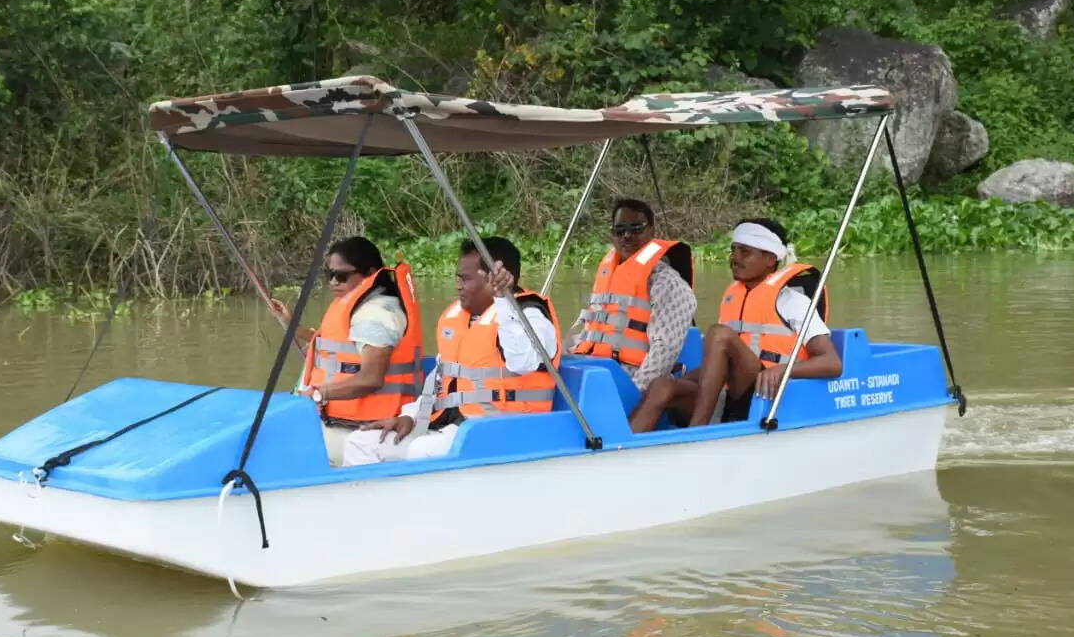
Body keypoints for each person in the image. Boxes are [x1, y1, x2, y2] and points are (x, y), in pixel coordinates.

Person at [343, 236, 560, 465]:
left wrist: (503, 301)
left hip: (503, 431)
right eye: (458, 278)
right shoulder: (461, 317)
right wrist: (410, 415)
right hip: (453, 427)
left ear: (494, 279)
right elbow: (441, 379)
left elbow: (522, 363)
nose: (458, 285)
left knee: (422, 450)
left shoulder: (532, 316)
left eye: (465, 279)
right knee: (361, 442)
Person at [628, 219, 842, 432]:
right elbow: (721, 363)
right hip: (729, 392)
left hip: (764, 392)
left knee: (718, 334)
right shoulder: (732, 296)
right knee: (662, 386)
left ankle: (697, 432)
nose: (734, 258)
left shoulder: (793, 301)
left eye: (744, 252)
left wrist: (783, 370)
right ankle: (624, 445)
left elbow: (832, 362)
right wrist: (684, 380)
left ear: (770, 259)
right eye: (733, 250)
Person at [268, 236, 423, 465]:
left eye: (341, 276)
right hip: (342, 421)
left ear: (370, 273)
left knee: (271, 440)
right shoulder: (362, 305)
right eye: (329, 275)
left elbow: (370, 378)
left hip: (366, 428)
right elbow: (341, 348)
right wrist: (291, 324)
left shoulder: (376, 315)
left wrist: (317, 394)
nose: (333, 282)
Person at [567, 198, 696, 393]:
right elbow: (591, 331)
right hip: (591, 369)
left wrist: (634, 393)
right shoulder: (608, 274)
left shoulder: (667, 282)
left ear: (651, 230)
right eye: (619, 230)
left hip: (629, 378)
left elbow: (664, 350)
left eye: (636, 229)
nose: (626, 236)